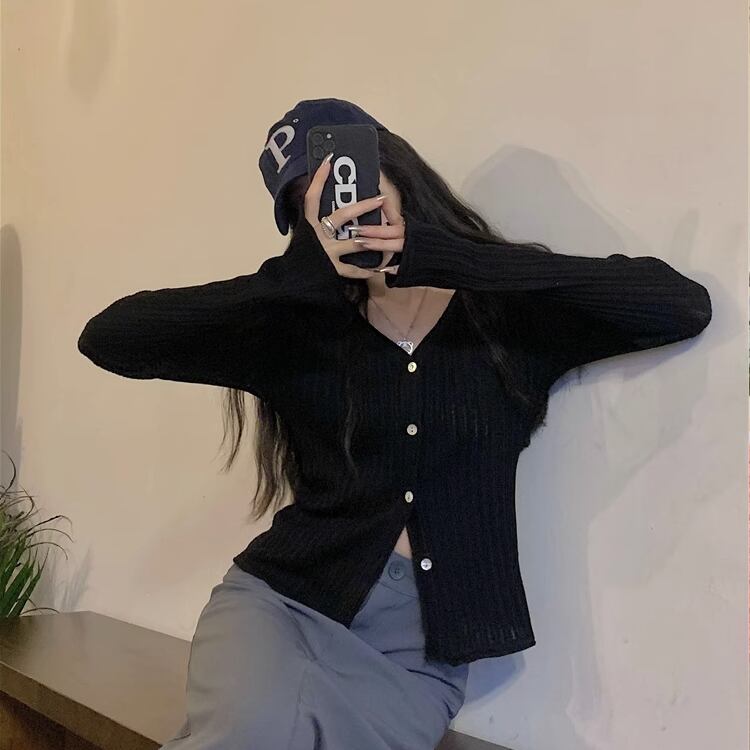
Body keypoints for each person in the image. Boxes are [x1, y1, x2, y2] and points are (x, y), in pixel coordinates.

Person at [77, 98, 713, 749]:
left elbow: (680, 307)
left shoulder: (505, 320)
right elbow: (110, 338)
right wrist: (299, 276)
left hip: (416, 658)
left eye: (341, 178)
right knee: (249, 734)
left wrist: (455, 258)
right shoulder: (296, 328)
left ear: (394, 166)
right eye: (306, 201)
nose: (335, 206)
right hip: (282, 611)